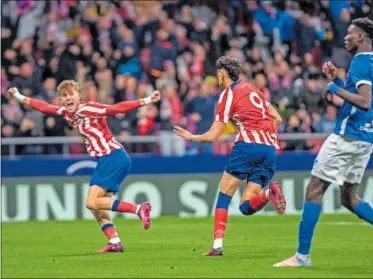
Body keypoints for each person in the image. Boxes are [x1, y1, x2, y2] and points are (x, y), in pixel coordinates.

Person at [8, 80, 161, 253]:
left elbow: (117, 108)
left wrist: (146, 100)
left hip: (112, 156)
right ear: (60, 100)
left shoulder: (87, 108)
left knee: (91, 202)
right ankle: (115, 241)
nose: (68, 98)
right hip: (112, 158)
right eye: (64, 96)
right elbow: (44, 107)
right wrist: (18, 96)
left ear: (78, 96)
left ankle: (139, 209)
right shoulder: (67, 113)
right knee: (98, 208)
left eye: (71, 94)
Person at [274, 17, 373, 268]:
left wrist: (333, 88)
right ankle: (301, 257)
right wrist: (340, 83)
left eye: (350, 33)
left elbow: (363, 101)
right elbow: (367, 102)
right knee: (349, 198)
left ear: (361, 37)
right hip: (364, 137)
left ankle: (301, 257)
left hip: (346, 136)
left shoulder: (360, 63)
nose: (346, 37)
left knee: (315, 190)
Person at [174, 56, 286, 256]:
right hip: (269, 149)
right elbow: (277, 117)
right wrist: (269, 137)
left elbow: (213, 136)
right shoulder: (254, 90)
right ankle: (270, 193)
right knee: (245, 206)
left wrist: (192, 137)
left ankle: (217, 246)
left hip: (247, 147)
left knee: (224, 197)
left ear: (222, 74)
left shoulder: (228, 94)